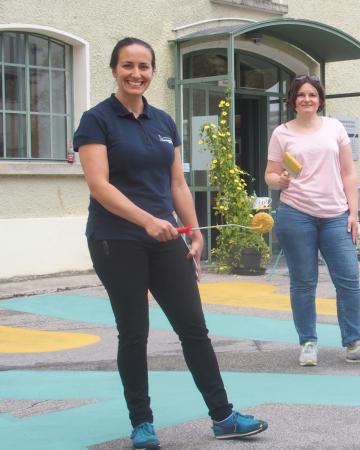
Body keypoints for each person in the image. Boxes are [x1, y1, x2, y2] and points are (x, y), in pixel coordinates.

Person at [74, 37, 267, 449]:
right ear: (114, 70)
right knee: (134, 332)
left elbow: (177, 183)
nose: (136, 74)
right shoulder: (97, 120)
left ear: (152, 71)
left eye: (144, 67)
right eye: (128, 66)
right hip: (116, 238)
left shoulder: (163, 122)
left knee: (194, 329)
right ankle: (142, 424)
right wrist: (147, 221)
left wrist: (194, 230)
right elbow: (98, 185)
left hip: (166, 239)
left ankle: (223, 416)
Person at [265, 74, 360, 367]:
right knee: (303, 282)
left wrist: (354, 213)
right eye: (301, 95)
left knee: (348, 279)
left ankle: (355, 344)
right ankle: (308, 342)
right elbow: (270, 173)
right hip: (296, 213)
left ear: (320, 99)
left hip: (335, 215)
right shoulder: (282, 133)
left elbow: (348, 173)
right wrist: (278, 180)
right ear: (293, 100)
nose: (307, 99)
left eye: (312, 94)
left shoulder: (334, 128)